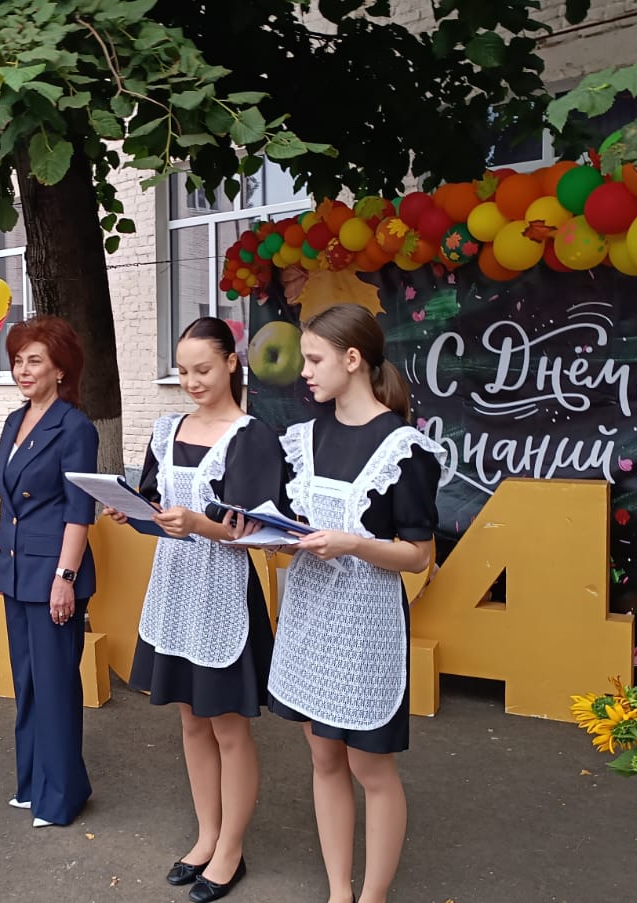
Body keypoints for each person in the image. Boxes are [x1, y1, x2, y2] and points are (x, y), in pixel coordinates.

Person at [235, 303, 443, 903]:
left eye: (314, 359)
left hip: (366, 625)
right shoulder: (304, 439)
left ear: (352, 360)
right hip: (308, 618)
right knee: (323, 757)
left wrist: (351, 543)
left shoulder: (403, 448)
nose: (304, 371)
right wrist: (274, 539)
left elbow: (417, 556)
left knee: (370, 767)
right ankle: (337, 891)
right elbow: (294, 526)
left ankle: (372, 896)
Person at [105, 318, 280, 902]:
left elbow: (257, 531)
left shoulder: (251, 437)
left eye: (202, 369)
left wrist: (201, 523)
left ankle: (231, 848)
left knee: (228, 726)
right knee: (190, 718)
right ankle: (206, 836)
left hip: (224, 592)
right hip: (175, 589)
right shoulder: (168, 429)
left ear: (232, 363)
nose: (191, 381)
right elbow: (159, 506)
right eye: (182, 371)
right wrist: (131, 509)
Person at [0, 315, 97, 830]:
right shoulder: (14, 421)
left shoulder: (75, 427)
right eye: (18, 361)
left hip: (54, 574)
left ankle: (62, 796)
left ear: (60, 369)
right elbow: (7, 501)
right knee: (27, 683)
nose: (23, 370)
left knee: (54, 686)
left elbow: (79, 511)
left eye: (35, 361)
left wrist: (65, 578)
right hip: (16, 569)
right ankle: (32, 783)